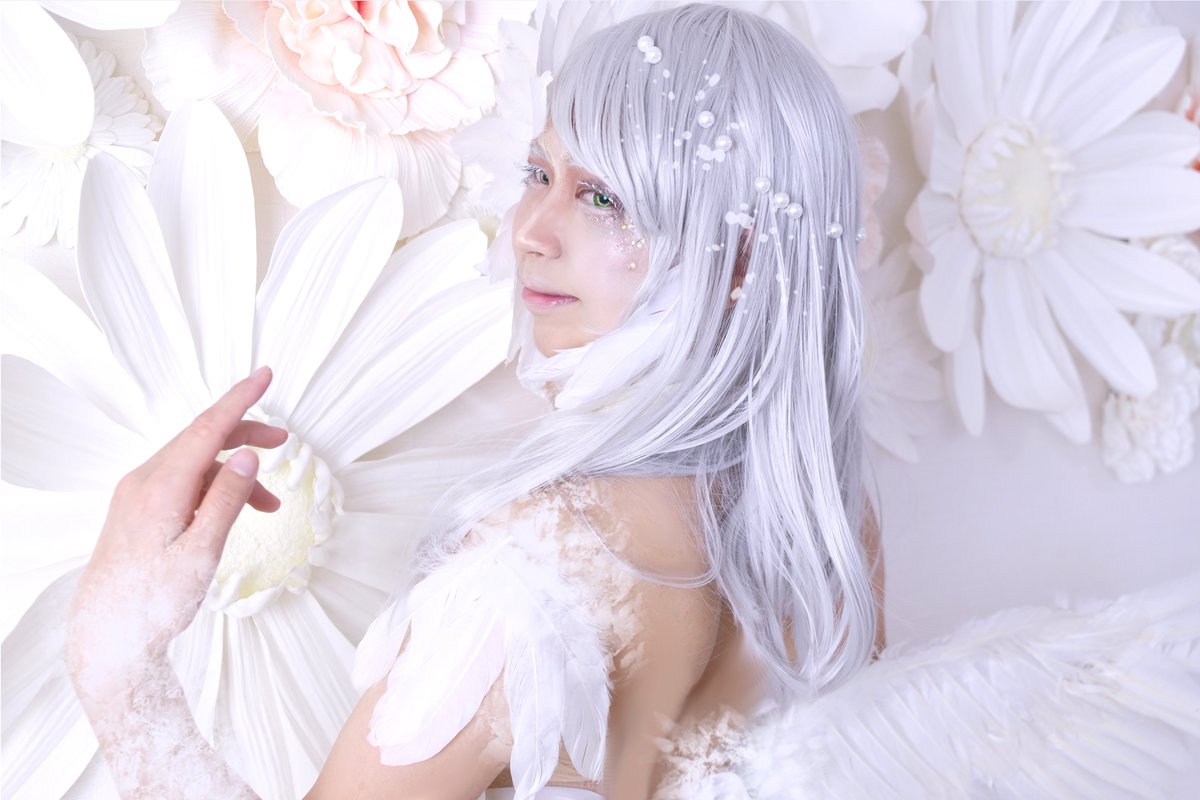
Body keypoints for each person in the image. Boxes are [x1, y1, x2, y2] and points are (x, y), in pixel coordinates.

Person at [64, 5, 885, 798]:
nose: (530, 229)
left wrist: (117, 668)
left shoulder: (546, 567)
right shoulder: (831, 534)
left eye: (603, 198)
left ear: (740, 260)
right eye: (540, 174)